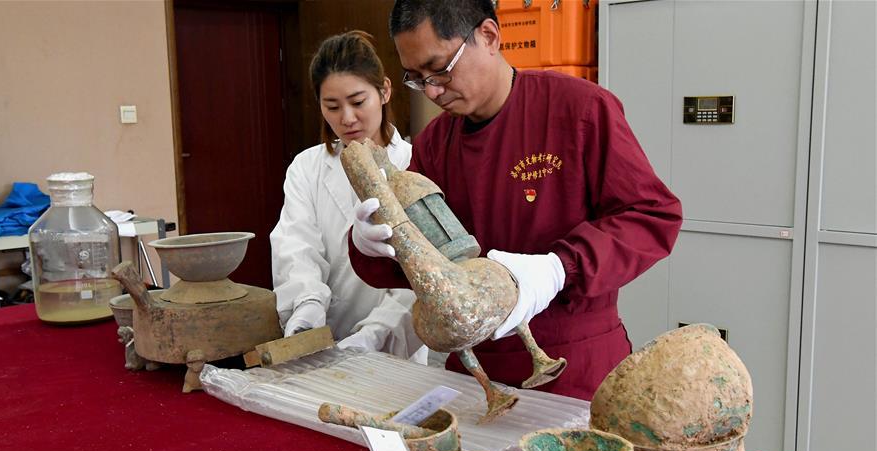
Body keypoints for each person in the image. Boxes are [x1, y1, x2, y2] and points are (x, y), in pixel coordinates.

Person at [348, 1, 683, 400]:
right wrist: (373, 244)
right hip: (476, 375)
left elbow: (651, 215)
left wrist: (560, 267)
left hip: (573, 364)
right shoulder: (436, 143)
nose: (433, 90)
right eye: (417, 78)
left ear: (488, 36)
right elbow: (425, 263)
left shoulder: (579, 110)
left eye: (440, 69)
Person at [271, 30, 425, 361]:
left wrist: (375, 334)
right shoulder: (307, 168)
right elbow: (295, 246)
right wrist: (306, 306)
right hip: (321, 342)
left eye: (357, 102)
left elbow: (419, 271)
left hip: (396, 349)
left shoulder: (415, 165)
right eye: (332, 106)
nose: (347, 119)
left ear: (384, 91)